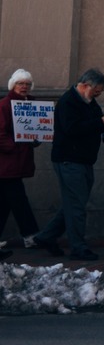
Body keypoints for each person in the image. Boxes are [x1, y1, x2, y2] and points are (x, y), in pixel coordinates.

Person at [25, 68, 104, 260]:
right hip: (69, 160)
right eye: (96, 90)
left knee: (73, 203)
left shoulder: (90, 102)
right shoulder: (68, 102)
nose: (98, 94)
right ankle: (78, 247)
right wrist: (101, 122)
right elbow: (72, 128)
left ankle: (46, 237)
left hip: (83, 160)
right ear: (84, 85)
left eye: (100, 92)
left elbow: (92, 124)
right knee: (76, 206)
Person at [1, 70, 40, 249]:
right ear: (13, 85)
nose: (24, 87)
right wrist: (16, 147)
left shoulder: (31, 104)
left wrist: (36, 139)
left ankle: (30, 234)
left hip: (19, 159)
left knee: (6, 200)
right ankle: (30, 234)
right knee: (18, 198)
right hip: (8, 162)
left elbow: (36, 130)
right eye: (20, 83)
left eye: (27, 84)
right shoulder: (3, 105)